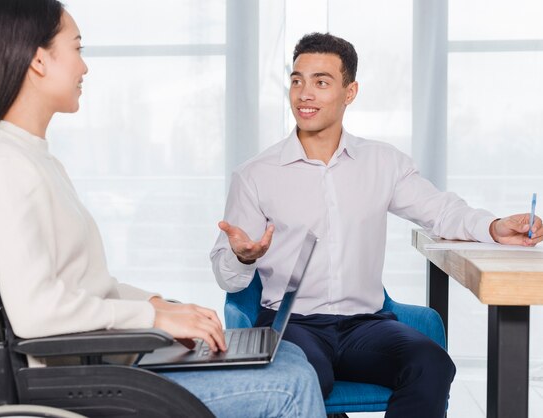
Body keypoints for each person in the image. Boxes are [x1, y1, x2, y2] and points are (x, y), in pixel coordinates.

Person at [0, 1, 327, 417]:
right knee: (289, 384)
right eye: (77, 49)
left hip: (100, 366)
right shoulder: (4, 166)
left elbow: (79, 287)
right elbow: (37, 312)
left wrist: (163, 307)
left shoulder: (30, 159)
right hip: (84, 385)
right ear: (39, 60)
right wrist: (153, 318)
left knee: (290, 356)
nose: (85, 68)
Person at [211, 32, 543, 418]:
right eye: (297, 80)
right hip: (292, 326)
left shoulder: (382, 163)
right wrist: (241, 256)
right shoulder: (256, 174)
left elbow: (441, 210)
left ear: (349, 92)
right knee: (304, 376)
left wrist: (495, 226)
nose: (304, 93)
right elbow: (229, 281)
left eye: (321, 82)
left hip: (364, 326)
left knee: (431, 364)